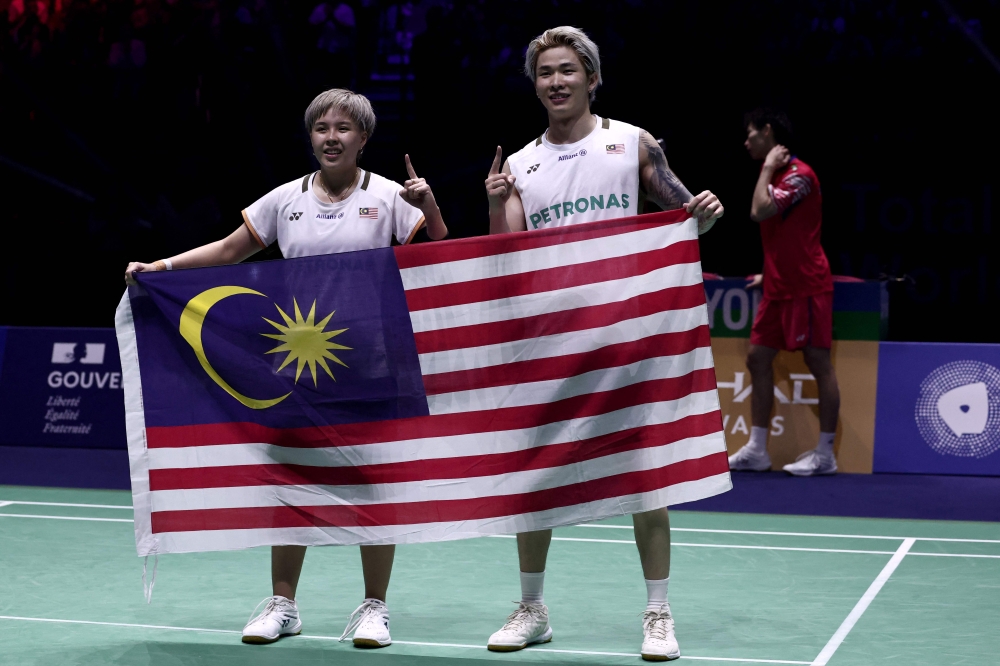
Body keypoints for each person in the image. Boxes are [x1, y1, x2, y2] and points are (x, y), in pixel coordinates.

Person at [124, 88, 448, 648]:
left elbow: (440, 258)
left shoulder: (392, 196)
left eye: (343, 128)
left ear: (363, 139)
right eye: (321, 127)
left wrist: (430, 206)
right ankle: (284, 604)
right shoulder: (286, 200)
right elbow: (229, 252)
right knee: (292, 480)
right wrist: (163, 266)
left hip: (370, 363)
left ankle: (374, 606)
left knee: (372, 483)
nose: (330, 136)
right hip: (297, 366)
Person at [483, 26, 724, 662]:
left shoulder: (631, 143)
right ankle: (532, 607)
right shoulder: (521, 165)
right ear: (534, 85)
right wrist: (496, 203)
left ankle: (658, 612)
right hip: (550, 344)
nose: (556, 82)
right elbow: (506, 259)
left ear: (592, 78)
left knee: (646, 477)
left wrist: (703, 208)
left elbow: (683, 213)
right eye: (544, 73)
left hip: (626, 338)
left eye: (567, 71)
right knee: (535, 479)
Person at [727, 108, 840, 477]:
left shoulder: (800, 175)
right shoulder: (777, 175)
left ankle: (825, 454)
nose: (746, 142)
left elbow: (760, 211)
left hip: (806, 286)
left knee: (819, 364)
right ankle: (757, 450)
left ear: (768, 132)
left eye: (751, 134)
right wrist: (769, 272)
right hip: (778, 286)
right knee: (758, 359)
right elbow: (780, 232)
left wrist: (765, 170)